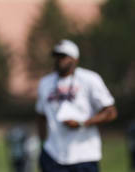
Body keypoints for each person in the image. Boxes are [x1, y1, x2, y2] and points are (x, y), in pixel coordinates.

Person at [36, 39, 117, 172]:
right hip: (53, 155)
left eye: (63, 56)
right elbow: (40, 115)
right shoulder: (45, 82)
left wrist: (82, 123)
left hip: (84, 155)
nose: (59, 60)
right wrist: (43, 144)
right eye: (56, 56)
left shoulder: (90, 79)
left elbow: (111, 112)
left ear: (75, 59)